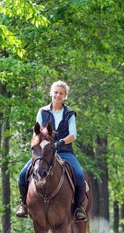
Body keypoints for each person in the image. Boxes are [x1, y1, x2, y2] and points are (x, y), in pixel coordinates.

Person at [16, 80, 87, 221]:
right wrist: (41, 145)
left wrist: (60, 143)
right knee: (22, 175)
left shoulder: (70, 113)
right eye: (55, 92)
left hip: (65, 151)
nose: (58, 95)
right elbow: (37, 133)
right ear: (51, 93)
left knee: (79, 175)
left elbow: (73, 134)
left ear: (65, 96)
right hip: (44, 153)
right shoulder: (42, 112)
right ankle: (23, 204)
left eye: (61, 93)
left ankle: (79, 208)